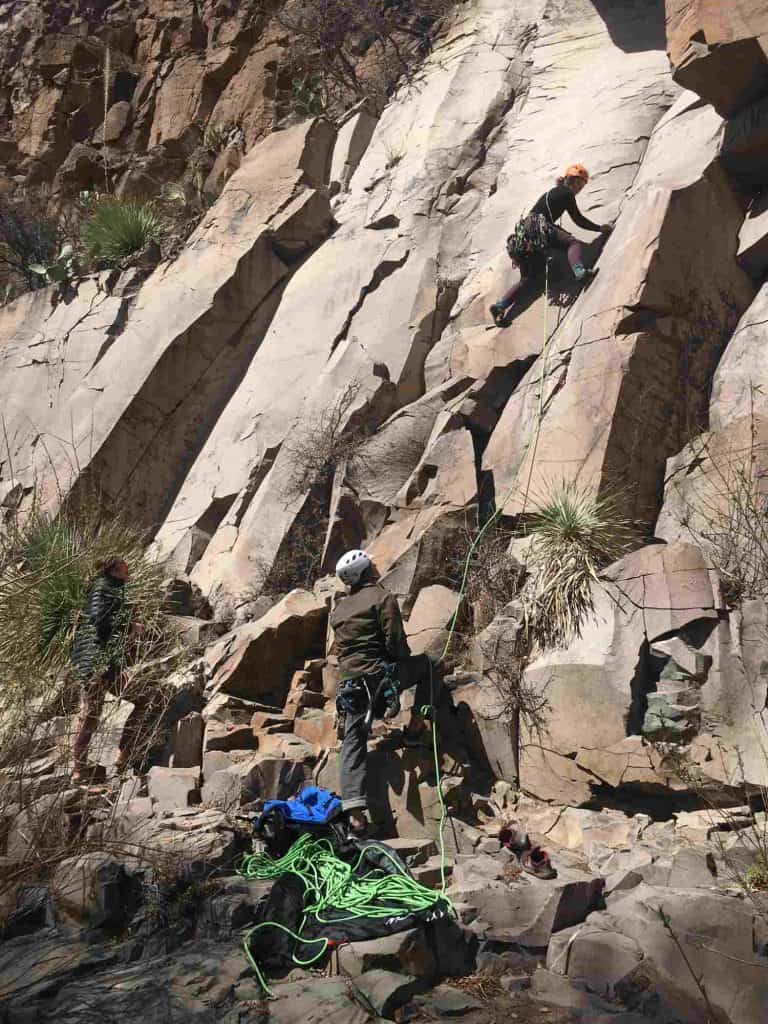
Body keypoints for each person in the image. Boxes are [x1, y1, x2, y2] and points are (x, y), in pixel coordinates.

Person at [330, 549, 449, 835]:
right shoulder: (382, 597)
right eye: (371, 563)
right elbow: (395, 643)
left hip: (350, 684)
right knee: (429, 667)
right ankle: (415, 728)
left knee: (353, 740)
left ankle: (355, 813)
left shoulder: (339, 610)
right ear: (366, 571)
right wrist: (399, 664)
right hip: (379, 679)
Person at [489, 164, 613, 328]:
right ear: (572, 181)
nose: (580, 189)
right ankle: (580, 272)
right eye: (580, 184)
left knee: (528, 279)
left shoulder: (552, 193)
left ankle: (500, 306)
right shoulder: (566, 193)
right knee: (572, 243)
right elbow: (578, 219)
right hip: (538, 227)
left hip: (524, 236)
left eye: (582, 186)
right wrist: (599, 229)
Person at [70, 556, 144, 782]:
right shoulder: (102, 588)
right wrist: (130, 626)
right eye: (125, 569)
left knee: (93, 715)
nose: (128, 572)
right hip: (96, 666)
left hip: (103, 665)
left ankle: (117, 759)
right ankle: (83, 767)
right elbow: (98, 620)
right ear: (114, 570)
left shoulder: (108, 588)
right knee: (92, 715)